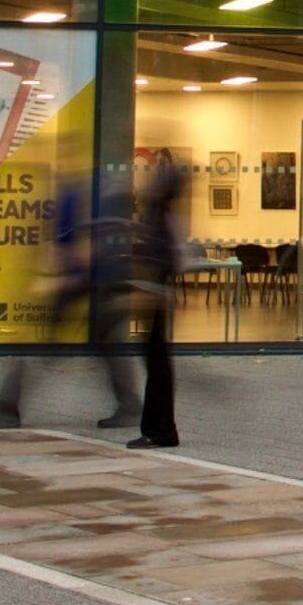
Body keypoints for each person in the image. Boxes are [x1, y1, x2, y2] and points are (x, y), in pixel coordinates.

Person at [0, 161, 138, 433]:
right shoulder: (77, 190)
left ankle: (6, 408)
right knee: (103, 344)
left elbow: (82, 248)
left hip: (83, 282)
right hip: (90, 282)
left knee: (43, 344)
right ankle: (129, 404)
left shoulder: (75, 192)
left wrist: (55, 279)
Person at [111, 150, 191, 449]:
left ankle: (159, 431)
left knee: (157, 363)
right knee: (158, 362)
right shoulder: (166, 215)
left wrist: (148, 294)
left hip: (154, 295)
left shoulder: (158, 214)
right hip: (157, 293)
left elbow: (160, 258)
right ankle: (160, 429)